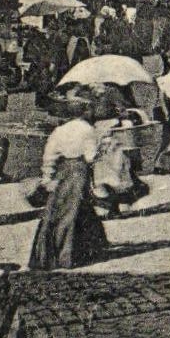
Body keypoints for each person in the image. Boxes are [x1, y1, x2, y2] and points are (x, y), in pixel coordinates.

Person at [27, 101, 108, 269]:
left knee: (58, 209)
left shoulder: (60, 130)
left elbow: (49, 155)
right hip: (79, 170)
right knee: (76, 208)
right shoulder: (87, 129)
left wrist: (47, 176)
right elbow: (90, 157)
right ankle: (74, 254)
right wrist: (103, 146)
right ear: (84, 112)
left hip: (62, 170)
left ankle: (48, 255)